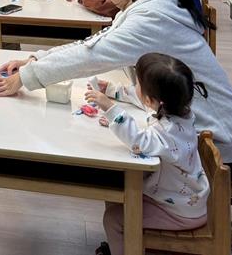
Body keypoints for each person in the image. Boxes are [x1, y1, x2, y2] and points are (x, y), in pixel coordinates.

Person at [0, 0, 232, 166]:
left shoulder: (151, 17)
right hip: (196, 126)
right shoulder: (154, 1)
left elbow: (90, 56)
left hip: (215, 142)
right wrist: (36, 59)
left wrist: (26, 77)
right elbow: (94, 44)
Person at [86, 53, 210, 255]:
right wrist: (110, 89)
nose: (135, 86)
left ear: (153, 100)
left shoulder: (169, 133)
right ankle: (123, 246)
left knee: (113, 219)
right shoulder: (180, 111)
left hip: (178, 211)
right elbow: (142, 100)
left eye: (138, 83)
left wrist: (110, 109)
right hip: (182, 198)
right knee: (116, 191)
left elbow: (138, 142)